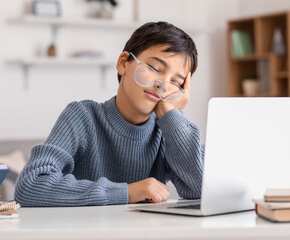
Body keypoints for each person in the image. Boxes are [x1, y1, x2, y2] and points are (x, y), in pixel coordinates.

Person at [14, 22, 204, 207]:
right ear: (123, 64)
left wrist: (171, 114)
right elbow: (30, 184)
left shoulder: (168, 130)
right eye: (154, 69)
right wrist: (126, 192)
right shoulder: (82, 117)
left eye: (175, 82)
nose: (161, 85)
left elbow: (203, 190)